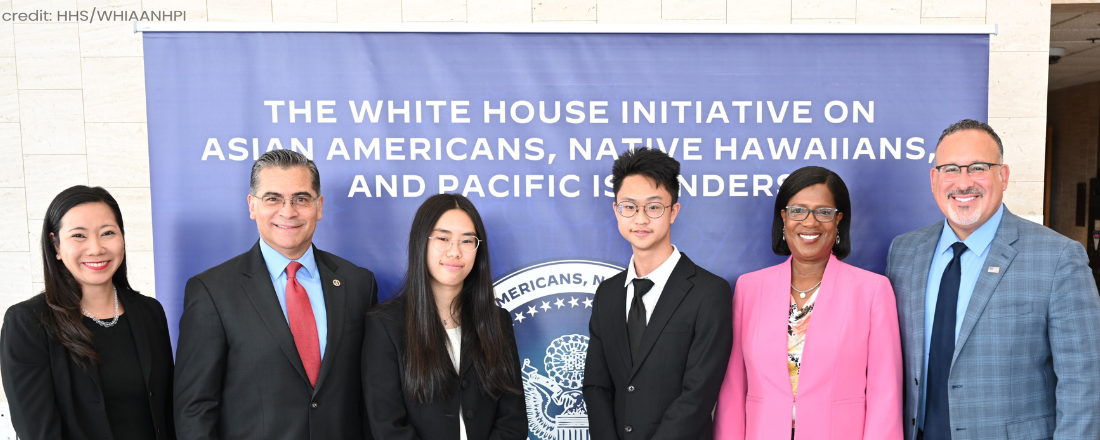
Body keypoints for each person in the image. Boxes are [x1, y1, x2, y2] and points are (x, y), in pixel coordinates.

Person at [886, 119, 1100, 440]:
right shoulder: (904, 252)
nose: (963, 182)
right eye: (950, 169)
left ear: (1004, 176)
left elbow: (1084, 381)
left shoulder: (1058, 257)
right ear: (934, 179)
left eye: (977, 168)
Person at [174, 149, 379, 440]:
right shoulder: (212, 291)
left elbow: (372, 394)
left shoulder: (358, 283)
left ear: (319, 207)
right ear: (252, 206)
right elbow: (195, 410)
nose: (288, 211)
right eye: (273, 198)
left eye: (301, 198)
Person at [713, 166, 902, 440]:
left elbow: (885, 394)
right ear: (784, 218)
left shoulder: (871, 291)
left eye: (823, 212)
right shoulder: (749, 289)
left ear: (838, 220)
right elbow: (732, 389)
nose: (809, 222)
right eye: (797, 211)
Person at [1, 185, 175, 440]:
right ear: (56, 245)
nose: (96, 248)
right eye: (79, 236)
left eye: (107, 233)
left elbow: (166, 410)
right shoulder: (28, 322)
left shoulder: (150, 311)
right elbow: (37, 431)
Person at [583, 147, 733, 440]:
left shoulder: (709, 293)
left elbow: (698, 394)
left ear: (673, 211)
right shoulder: (607, 294)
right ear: (616, 210)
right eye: (629, 207)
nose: (640, 219)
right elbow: (596, 385)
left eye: (653, 207)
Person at [362, 193, 527, 440]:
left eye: (467, 241)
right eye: (443, 238)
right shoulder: (386, 325)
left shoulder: (497, 322)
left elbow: (512, 422)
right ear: (421, 242)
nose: (454, 252)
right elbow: (388, 426)